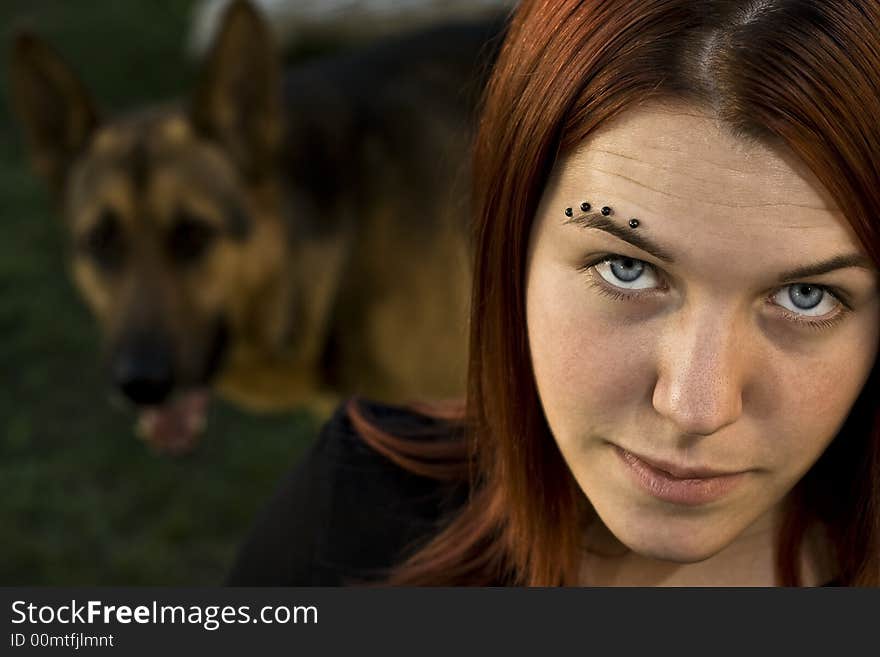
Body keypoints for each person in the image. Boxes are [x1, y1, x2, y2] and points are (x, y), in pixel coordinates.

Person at [226, 0, 880, 586]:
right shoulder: (363, 508)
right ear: (512, 243)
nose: (695, 406)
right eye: (627, 269)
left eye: (805, 295)